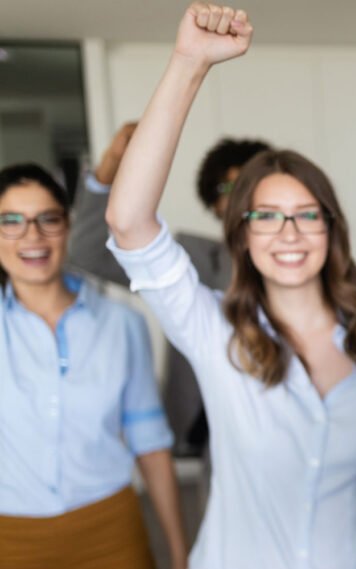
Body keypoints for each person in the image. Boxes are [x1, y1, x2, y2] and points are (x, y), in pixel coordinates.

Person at [104, 5, 356, 569]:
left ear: (332, 228)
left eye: (307, 214)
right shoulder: (213, 326)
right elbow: (129, 220)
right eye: (267, 216)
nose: (289, 232)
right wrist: (189, 63)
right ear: (242, 234)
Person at [0, 163, 196, 569]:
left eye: (47, 219)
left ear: (68, 226)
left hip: (113, 540)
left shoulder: (122, 324)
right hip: (10, 553)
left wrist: (179, 558)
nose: (32, 237)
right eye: (11, 221)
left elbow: (151, 445)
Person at [69, 121, 271, 458]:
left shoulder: (306, 256)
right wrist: (109, 167)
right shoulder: (189, 258)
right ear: (213, 203)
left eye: (252, 186)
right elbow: (89, 251)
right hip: (218, 436)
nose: (239, 198)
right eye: (227, 189)